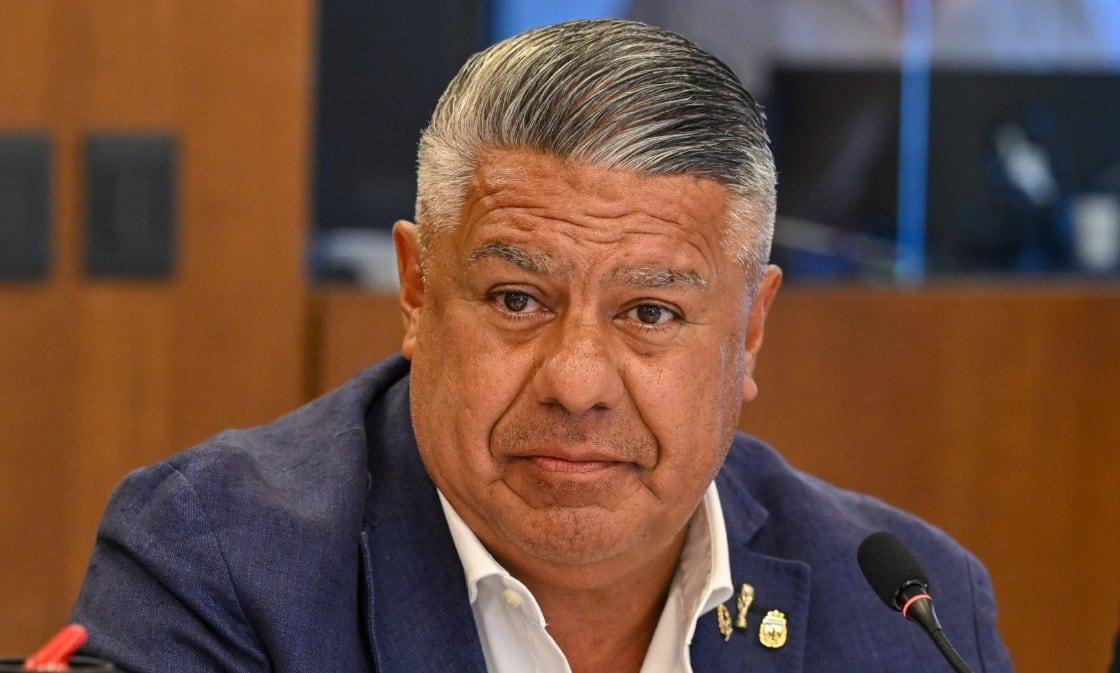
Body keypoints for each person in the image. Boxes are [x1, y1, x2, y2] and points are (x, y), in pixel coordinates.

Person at [69, 19, 1014, 673]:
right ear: (418, 289)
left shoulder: (910, 613)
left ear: (750, 328)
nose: (577, 381)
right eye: (518, 298)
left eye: (651, 312)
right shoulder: (218, 562)